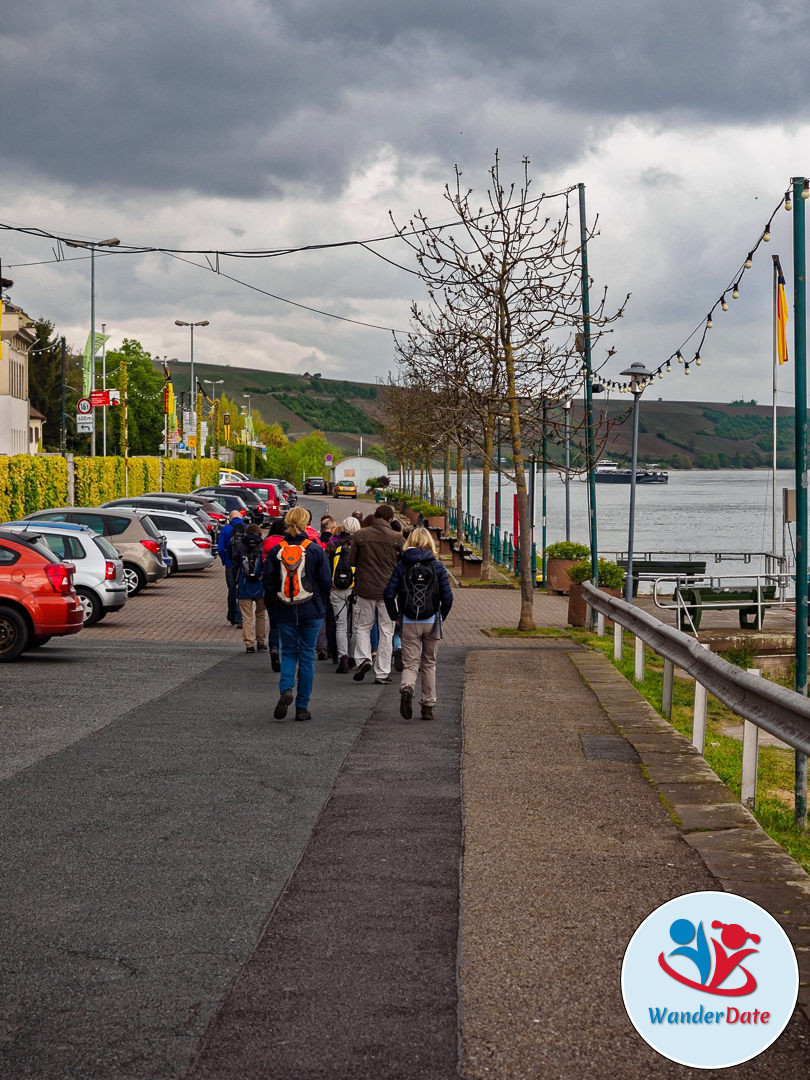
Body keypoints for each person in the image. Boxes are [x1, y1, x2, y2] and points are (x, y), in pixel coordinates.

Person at [262, 506, 331, 722]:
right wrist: (321, 603)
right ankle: (302, 707)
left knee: (289, 652)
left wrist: (274, 609)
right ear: (306, 524)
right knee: (307, 656)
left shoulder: (276, 550)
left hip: (285, 609)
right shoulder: (315, 549)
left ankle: (286, 689)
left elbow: (269, 584)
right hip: (311, 609)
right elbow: (326, 582)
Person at [384, 527, 453, 721]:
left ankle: (407, 687)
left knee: (410, 663)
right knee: (429, 663)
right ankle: (428, 705)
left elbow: (389, 593)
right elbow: (448, 597)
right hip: (431, 620)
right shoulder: (437, 566)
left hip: (408, 620)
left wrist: (395, 615)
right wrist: (442, 616)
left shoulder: (402, 565)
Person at [349, 503, 404, 684]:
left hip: (364, 589)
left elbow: (352, 562)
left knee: (363, 627)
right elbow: (403, 563)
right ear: (390, 519)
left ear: (375, 516)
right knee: (386, 631)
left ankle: (364, 659)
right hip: (388, 592)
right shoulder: (397, 537)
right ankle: (382, 672)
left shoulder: (360, 535)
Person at [326, 515, 360, 673]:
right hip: (355, 590)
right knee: (354, 626)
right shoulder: (360, 545)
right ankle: (353, 657)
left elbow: (326, 568)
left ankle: (343, 658)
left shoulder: (333, 545)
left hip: (336, 589)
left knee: (340, 626)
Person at [234, 523, 268, 653]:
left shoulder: (241, 546)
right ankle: (261, 642)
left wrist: (236, 581)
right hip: (260, 584)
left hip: (244, 583)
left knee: (247, 616)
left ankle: (249, 644)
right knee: (260, 614)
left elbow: (235, 564)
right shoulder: (262, 546)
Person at [261, 519, 287, 670]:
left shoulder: (268, 543)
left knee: (274, 623)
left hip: (271, 589)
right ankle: (283, 650)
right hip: (286, 588)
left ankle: (274, 647)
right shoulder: (286, 545)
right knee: (286, 623)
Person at [217, 509, 245, 627]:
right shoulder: (247, 528)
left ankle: (232, 616)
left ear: (230, 518)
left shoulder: (226, 529)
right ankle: (240, 617)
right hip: (244, 564)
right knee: (242, 590)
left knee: (232, 590)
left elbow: (220, 548)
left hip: (230, 564)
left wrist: (225, 561)